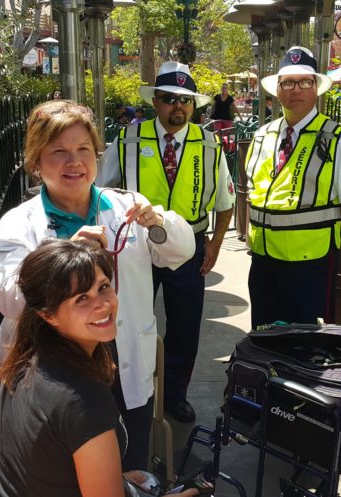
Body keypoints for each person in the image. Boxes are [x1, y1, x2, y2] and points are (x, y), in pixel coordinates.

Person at [0, 99, 196, 471]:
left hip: (123, 362)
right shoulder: (16, 225)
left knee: (129, 467)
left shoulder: (126, 206)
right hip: (52, 373)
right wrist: (66, 255)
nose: (75, 162)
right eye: (59, 152)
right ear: (36, 162)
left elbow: (181, 251)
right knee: (60, 476)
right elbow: (10, 300)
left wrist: (158, 222)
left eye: (84, 149)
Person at [0, 239, 199, 497]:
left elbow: (50, 463)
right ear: (47, 315)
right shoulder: (82, 401)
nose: (103, 304)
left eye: (104, 287)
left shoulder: (24, 361)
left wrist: (117, 480)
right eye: (82, 298)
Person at [98, 61, 235, 423]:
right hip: (134, 245)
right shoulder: (127, 139)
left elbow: (225, 202)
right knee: (130, 320)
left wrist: (216, 243)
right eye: (169, 98)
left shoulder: (209, 144)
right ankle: (130, 392)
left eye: (185, 100)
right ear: (155, 101)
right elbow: (100, 190)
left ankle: (174, 394)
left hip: (188, 247)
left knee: (185, 325)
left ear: (194, 105)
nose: (178, 106)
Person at [246, 46, 341, 328]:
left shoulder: (336, 139)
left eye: (305, 82)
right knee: (263, 338)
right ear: (278, 89)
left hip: (310, 265)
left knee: (308, 345)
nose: (296, 89)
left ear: (316, 88)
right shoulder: (262, 136)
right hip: (264, 261)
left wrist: (319, 232)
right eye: (288, 82)